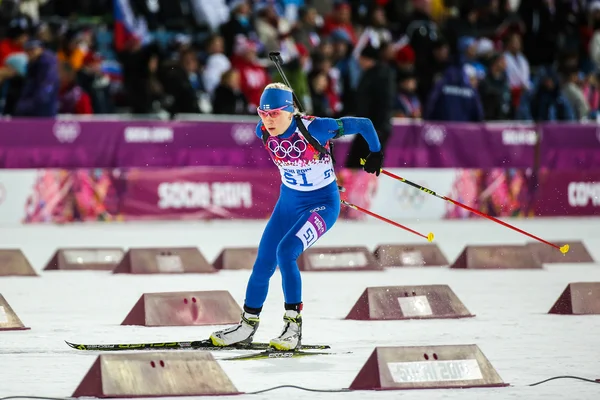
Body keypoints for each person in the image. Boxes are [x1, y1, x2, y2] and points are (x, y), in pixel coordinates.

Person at [210, 82, 383, 351]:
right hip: (287, 204)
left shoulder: (316, 128)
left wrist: (375, 152)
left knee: (286, 252)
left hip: (322, 206)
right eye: (263, 113)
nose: (268, 120)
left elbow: (363, 123)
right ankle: (247, 326)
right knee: (263, 262)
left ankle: (293, 327)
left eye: (275, 113)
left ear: (290, 112)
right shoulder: (262, 132)